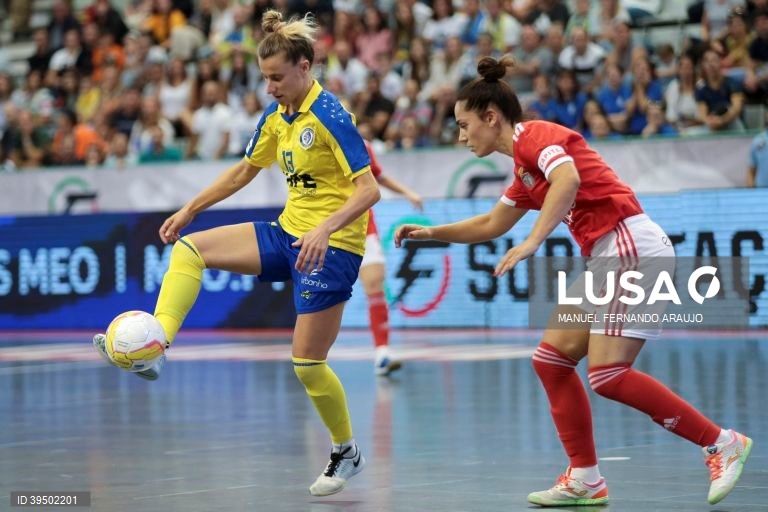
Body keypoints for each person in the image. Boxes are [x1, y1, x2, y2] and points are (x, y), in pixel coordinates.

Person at [394, 55, 753, 507]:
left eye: (465, 125)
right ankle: (585, 477)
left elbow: (568, 179)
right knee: (551, 360)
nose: (461, 136)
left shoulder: (535, 136)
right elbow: (490, 223)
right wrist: (430, 233)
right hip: (607, 254)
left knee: (607, 374)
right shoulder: (523, 170)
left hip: (628, 246)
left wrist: (532, 242)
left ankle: (721, 442)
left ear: (491, 117)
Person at [92, 10, 379, 497]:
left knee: (308, 364)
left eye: (276, 78)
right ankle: (157, 346)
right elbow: (244, 172)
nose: (269, 88)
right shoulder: (277, 116)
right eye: (264, 78)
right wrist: (189, 208)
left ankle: (346, 451)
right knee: (190, 249)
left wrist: (326, 230)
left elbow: (369, 190)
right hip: (288, 232)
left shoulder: (331, 116)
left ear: (305, 67)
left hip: (331, 249)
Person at [358, 129, 423, 375]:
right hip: (325, 229)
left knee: (375, 285)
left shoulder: (361, 144)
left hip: (364, 228)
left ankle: (382, 352)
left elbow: (379, 176)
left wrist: (408, 193)